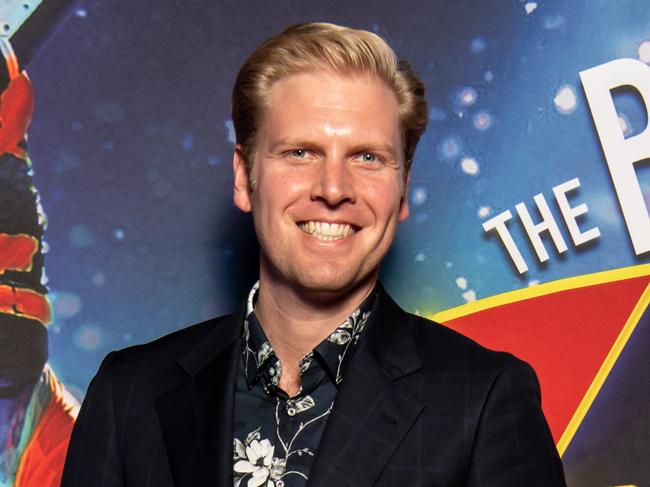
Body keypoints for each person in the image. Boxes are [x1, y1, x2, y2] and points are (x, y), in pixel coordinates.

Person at [61, 22, 566, 486]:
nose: (333, 188)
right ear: (244, 177)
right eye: (300, 152)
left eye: (368, 157)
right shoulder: (130, 395)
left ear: (404, 188)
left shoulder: (483, 401)